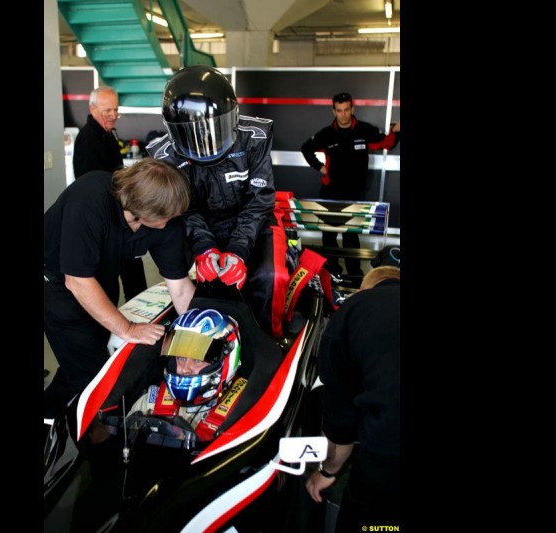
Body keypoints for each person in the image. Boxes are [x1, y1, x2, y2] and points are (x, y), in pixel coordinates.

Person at [43, 158, 197, 421]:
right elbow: (76, 281)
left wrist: (197, 336)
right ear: (144, 210)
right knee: (95, 378)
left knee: (88, 354)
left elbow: (180, 287)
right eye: (167, 216)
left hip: (95, 278)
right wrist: (127, 329)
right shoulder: (89, 200)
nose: (172, 221)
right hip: (56, 282)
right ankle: (79, 430)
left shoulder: (163, 219)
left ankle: (51, 410)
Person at [147, 65, 289, 336]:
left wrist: (238, 249)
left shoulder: (255, 136)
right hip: (201, 224)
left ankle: (266, 338)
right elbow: (184, 209)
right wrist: (204, 247)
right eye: (193, 133)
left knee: (270, 277)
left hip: (252, 220)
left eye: (213, 128)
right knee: (199, 279)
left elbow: (260, 201)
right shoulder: (163, 156)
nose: (205, 142)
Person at [305, 266, 400, 531]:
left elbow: (341, 423)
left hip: (387, 457)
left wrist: (326, 472)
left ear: (365, 289)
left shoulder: (354, 310)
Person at [300, 92, 401, 279]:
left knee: (351, 236)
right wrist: (321, 168)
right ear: (334, 111)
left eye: (346, 109)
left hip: (355, 193)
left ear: (352, 109)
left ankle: (354, 273)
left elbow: (385, 143)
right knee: (329, 235)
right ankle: (332, 272)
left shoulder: (364, 130)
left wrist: (396, 132)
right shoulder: (327, 134)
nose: (343, 114)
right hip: (330, 192)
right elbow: (306, 148)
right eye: (339, 110)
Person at [73, 86, 148, 302]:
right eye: (107, 111)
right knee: (113, 278)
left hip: (119, 215)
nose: (113, 115)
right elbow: (91, 186)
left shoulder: (106, 134)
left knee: (132, 268)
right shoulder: (89, 140)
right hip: (107, 219)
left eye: (116, 110)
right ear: (92, 109)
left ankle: (140, 312)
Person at [127, 307, 242, 434]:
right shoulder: (150, 402)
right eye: (181, 358)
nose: (185, 369)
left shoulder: (242, 410)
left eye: (197, 360)